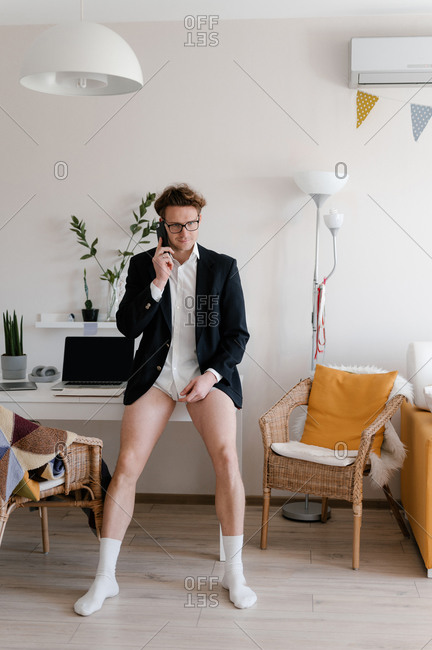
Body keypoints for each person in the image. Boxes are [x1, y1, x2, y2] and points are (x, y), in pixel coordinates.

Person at [74, 183, 256, 616]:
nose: (185, 232)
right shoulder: (143, 266)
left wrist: (211, 377)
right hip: (156, 378)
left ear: (199, 221)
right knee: (127, 467)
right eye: (176, 225)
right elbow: (126, 328)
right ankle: (105, 578)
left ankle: (235, 572)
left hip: (205, 379)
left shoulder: (222, 268)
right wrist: (158, 281)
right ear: (162, 225)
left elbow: (237, 335)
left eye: (192, 224)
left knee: (228, 459)